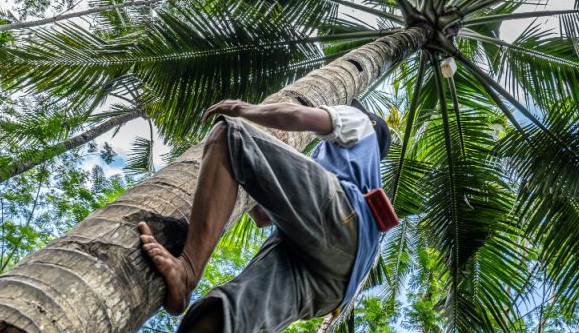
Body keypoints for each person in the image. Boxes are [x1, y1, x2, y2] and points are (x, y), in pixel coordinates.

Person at [137, 98, 391, 332]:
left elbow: (296, 116)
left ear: (370, 122)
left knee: (228, 135)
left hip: (343, 221)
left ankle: (188, 271)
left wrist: (242, 109)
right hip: (335, 286)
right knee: (222, 316)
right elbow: (262, 216)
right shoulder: (359, 171)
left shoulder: (359, 122)